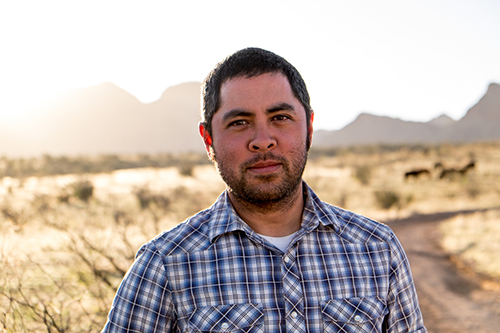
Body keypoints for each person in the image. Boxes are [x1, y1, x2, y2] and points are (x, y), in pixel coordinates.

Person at [102, 47, 427, 333]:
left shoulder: (376, 248)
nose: (262, 139)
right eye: (239, 122)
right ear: (208, 139)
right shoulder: (165, 263)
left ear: (309, 128)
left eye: (280, 117)